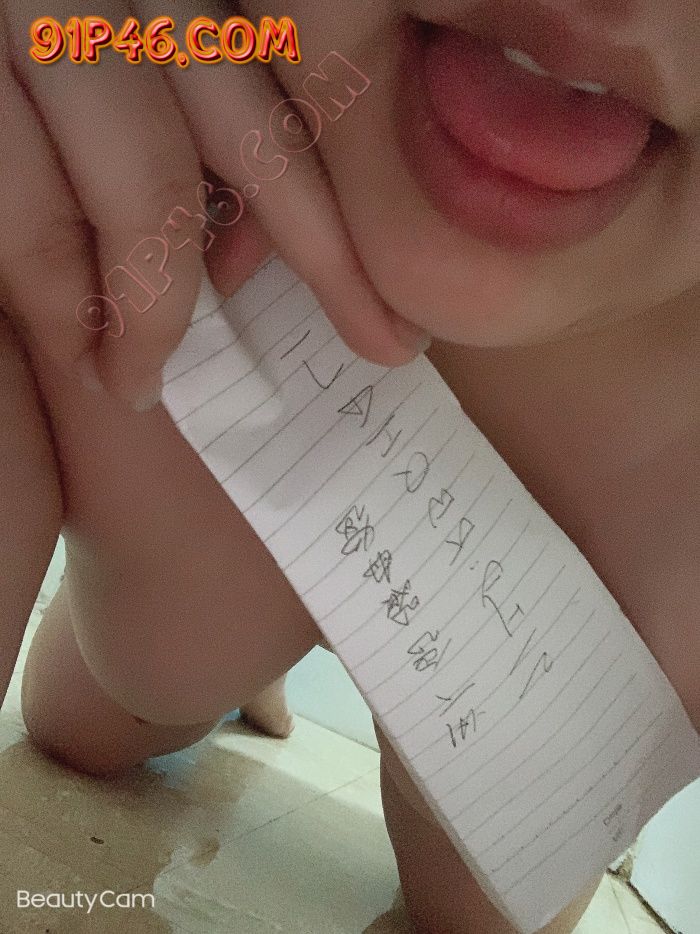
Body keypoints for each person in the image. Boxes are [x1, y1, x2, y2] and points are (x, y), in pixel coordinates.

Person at [0, 2, 697, 932]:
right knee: (77, 729)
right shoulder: (95, 111)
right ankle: (253, 659)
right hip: (201, 151)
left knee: (480, 915)